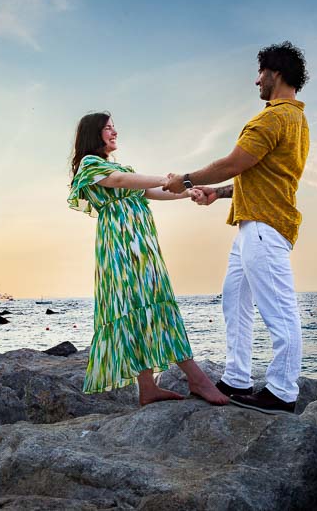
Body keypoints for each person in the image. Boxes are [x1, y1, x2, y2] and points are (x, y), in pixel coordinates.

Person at [165, 41, 310, 415]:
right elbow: (259, 174)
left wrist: (185, 178)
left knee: (279, 311)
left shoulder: (272, 118)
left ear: (274, 74)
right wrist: (216, 192)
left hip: (264, 226)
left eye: (260, 72)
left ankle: (282, 391)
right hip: (252, 225)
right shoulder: (296, 119)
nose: (256, 80)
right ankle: (237, 377)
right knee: (235, 301)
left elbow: (233, 162)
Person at [68, 112, 229, 407]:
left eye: (115, 127)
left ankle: (148, 387)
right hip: (121, 245)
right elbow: (119, 180)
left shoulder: (114, 167)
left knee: (143, 302)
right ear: (94, 134)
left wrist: (185, 191)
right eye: (107, 129)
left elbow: (150, 192)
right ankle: (196, 378)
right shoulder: (92, 165)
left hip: (138, 243)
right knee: (143, 300)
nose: (114, 132)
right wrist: (170, 178)